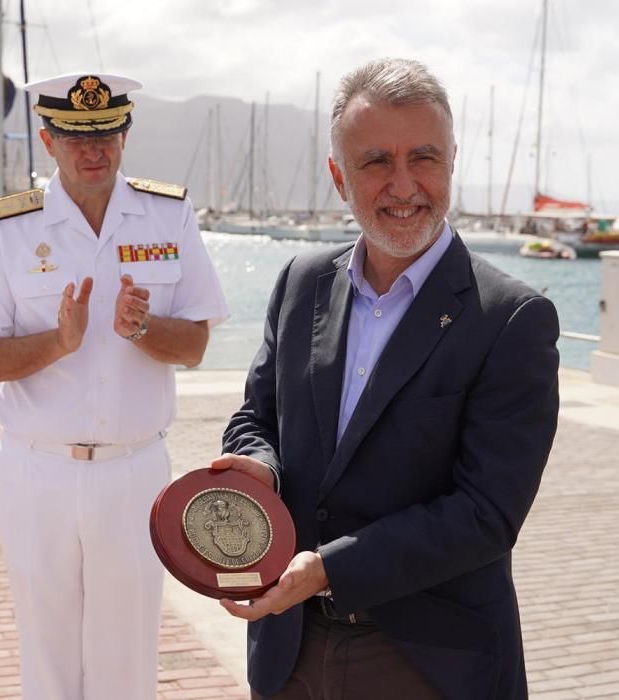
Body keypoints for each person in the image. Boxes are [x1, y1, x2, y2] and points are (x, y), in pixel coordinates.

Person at [211, 58, 559, 700]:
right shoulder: (299, 282)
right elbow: (257, 417)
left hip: (428, 660)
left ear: (452, 158)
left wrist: (328, 569)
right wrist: (253, 463)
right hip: (288, 650)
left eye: (422, 157)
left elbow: (486, 514)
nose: (404, 185)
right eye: (376, 162)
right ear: (338, 176)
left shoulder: (512, 319)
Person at [0, 73, 229, 700]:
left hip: (134, 470)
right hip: (38, 472)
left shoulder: (169, 213)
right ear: (47, 140)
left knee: (127, 656)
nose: (95, 151)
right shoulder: (4, 229)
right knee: (48, 652)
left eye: (107, 135)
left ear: (124, 135)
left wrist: (143, 328)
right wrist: (56, 344)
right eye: (75, 138)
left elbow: (196, 345)